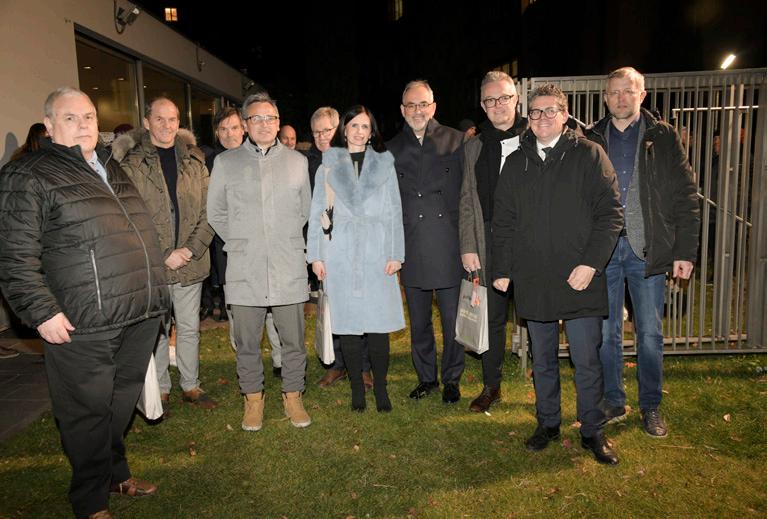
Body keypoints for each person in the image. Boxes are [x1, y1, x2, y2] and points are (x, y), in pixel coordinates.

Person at [0, 87, 170, 519]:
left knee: (118, 405)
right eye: (70, 118)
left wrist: (158, 293)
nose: (82, 125)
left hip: (138, 312)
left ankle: (114, 473)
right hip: (83, 322)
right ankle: (90, 501)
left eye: (89, 117)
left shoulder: (110, 165)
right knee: (86, 413)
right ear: (49, 125)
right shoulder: (29, 174)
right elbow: (14, 255)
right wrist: (41, 311)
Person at [492, 84, 624, 465]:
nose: (542, 118)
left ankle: (592, 430)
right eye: (535, 112)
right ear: (528, 117)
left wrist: (591, 264)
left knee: (586, 359)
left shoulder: (589, 154)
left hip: (580, 276)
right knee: (543, 358)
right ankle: (547, 422)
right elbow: (504, 221)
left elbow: (610, 214)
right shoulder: (516, 162)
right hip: (534, 277)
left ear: (565, 116)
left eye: (550, 111)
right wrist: (502, 268)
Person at [586, 67, 700, 437]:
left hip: (647, 249)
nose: (621, 98)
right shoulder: (592, 138)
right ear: (605, 97)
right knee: (607, 331)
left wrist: (685, 251)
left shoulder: (662, 136)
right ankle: (613, 399)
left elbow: (685, 194)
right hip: (603, 251)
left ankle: (650, 405)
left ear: (642, 95)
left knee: (649, 332)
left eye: (628, 91)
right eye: (614, 92)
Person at [207, 92, 312, 431]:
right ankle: (253, 399)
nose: (264, 124)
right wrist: (243, 239)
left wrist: (279, 238)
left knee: (293, 340)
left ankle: (293, 395)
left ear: (278, 123)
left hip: (287, 264)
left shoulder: (297, 162)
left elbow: (304, 210)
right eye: (257, 118)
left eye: (270, 118)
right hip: (245, 266)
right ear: (246, 124)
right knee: (247, 343)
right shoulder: (226, 163)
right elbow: (216, 212)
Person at [115, 97, 217, 411]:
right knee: (156, 330)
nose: (167, 125)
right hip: (152, 266)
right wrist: (163, 255)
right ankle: (161, 387)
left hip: (190, 262)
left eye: (172, 119)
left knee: (188, 328)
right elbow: (127, 218)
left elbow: (209, 212)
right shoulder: (131, 165)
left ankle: (190, 384)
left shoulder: (194, 161)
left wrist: (190, 249)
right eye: (159, 119)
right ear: (147, 122)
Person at [307, 105, 405, 412]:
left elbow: (395, 211)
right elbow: (317, 213)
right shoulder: (328, 166)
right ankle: (356, 389)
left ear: (371, 132)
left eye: (365, 126)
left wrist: (396, 254)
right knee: (347, 324)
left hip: (377, 252)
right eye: (354, 126)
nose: (359, 132)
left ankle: (381, 388)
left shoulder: (384, 165)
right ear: (344, 130)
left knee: (378, 324)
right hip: (341, 253)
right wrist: (316, 255)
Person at [387, 80, 465, 404]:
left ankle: (452, 379)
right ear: (402, 110)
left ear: (433, 107)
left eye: (423, 104)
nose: (417, 111)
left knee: (451, 320)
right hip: (412, 244)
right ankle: (426, 378)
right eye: (411, 105)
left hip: (448, 243)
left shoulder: (456, 141)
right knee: (419, 321)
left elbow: (467, 196)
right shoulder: (390, 149)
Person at [459, 70, 528, 412]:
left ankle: (545, 383)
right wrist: (468, 246)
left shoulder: (535, 135)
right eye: (490, 100)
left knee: (538, 312)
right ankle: (492, 386)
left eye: (504, 97)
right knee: (492, 315)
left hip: (531, 237)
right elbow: (466, 199)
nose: (498, 105)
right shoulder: (474, 146)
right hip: (487, 239)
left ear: (516, 99)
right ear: (483, 105)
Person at [308, 106, 373, 390]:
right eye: (316, 132)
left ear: (340, 130)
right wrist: (315, 255)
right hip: (330, 251)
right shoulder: (316, 165)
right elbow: (314, 215)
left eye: (327, 130)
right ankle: (337, 364)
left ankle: (364, 367)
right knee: (332, 308)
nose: (321, 136)